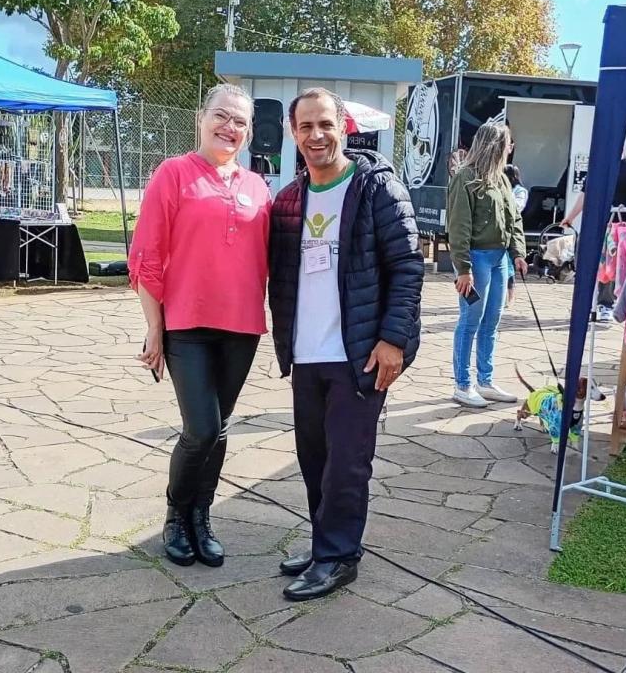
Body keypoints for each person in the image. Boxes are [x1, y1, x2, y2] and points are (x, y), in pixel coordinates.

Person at [269, 87, 424, 602]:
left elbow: (406, 268)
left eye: (325, 125)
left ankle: (338, 557)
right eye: (306, 127)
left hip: (359, 354)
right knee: (313, 457)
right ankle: (324, 543)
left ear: (344, 127)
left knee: (347, 462)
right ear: (294, 133)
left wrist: (392, 341)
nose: (316, 136)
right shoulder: (290, 200)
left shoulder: (378, 188)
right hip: (307, 354)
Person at [128, 83, 271, 568]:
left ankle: (201, 517)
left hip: (242, 325)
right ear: (201, 117)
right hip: (186, 323)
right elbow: (146, 256)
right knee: (201, 428)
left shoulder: (257, 188)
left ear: (249, 133)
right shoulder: (173, 174)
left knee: (221, 426)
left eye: (240, 122)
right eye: (222, 116)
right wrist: (154, 326)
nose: (229, 127)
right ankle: (176, 512)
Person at [447, 123, 527, 409]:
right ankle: (463, 384)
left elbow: (513, 218)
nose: (511, 147)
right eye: (507, 142)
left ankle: (485, 379)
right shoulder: (465, 178)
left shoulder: (502, 179)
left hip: (499, 258)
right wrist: (463, 268)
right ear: (495, 145)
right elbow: (458, 227)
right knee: (470, 321)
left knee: (491, 321)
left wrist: (518, 252)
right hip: (476, 259)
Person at [560, 153, 626, 321]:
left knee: (612, 267)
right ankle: (585, 304)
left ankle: (606, 304)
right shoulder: (597, 166)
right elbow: (585, 195)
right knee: (588, 264)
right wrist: (570, 217)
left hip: (620, 228)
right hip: (595, 226)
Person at [504, 164, 528, 303]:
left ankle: (511, 297)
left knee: (510, 267)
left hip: (513, 228)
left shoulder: (521, 191)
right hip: (502, 230)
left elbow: (518, 206)